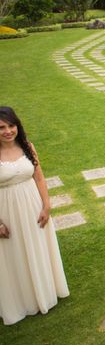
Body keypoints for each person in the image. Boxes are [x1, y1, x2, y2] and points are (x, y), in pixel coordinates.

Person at [0, 106, 69, 325]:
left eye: (11, 126)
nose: (8, 131)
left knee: (38, 247)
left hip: (33, 206)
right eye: (1, 127)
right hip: (7, 210)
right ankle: (24, 301)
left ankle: (45, 293)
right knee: (15, 254)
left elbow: (39, 177)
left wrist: (46, 205)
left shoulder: (28, 147)